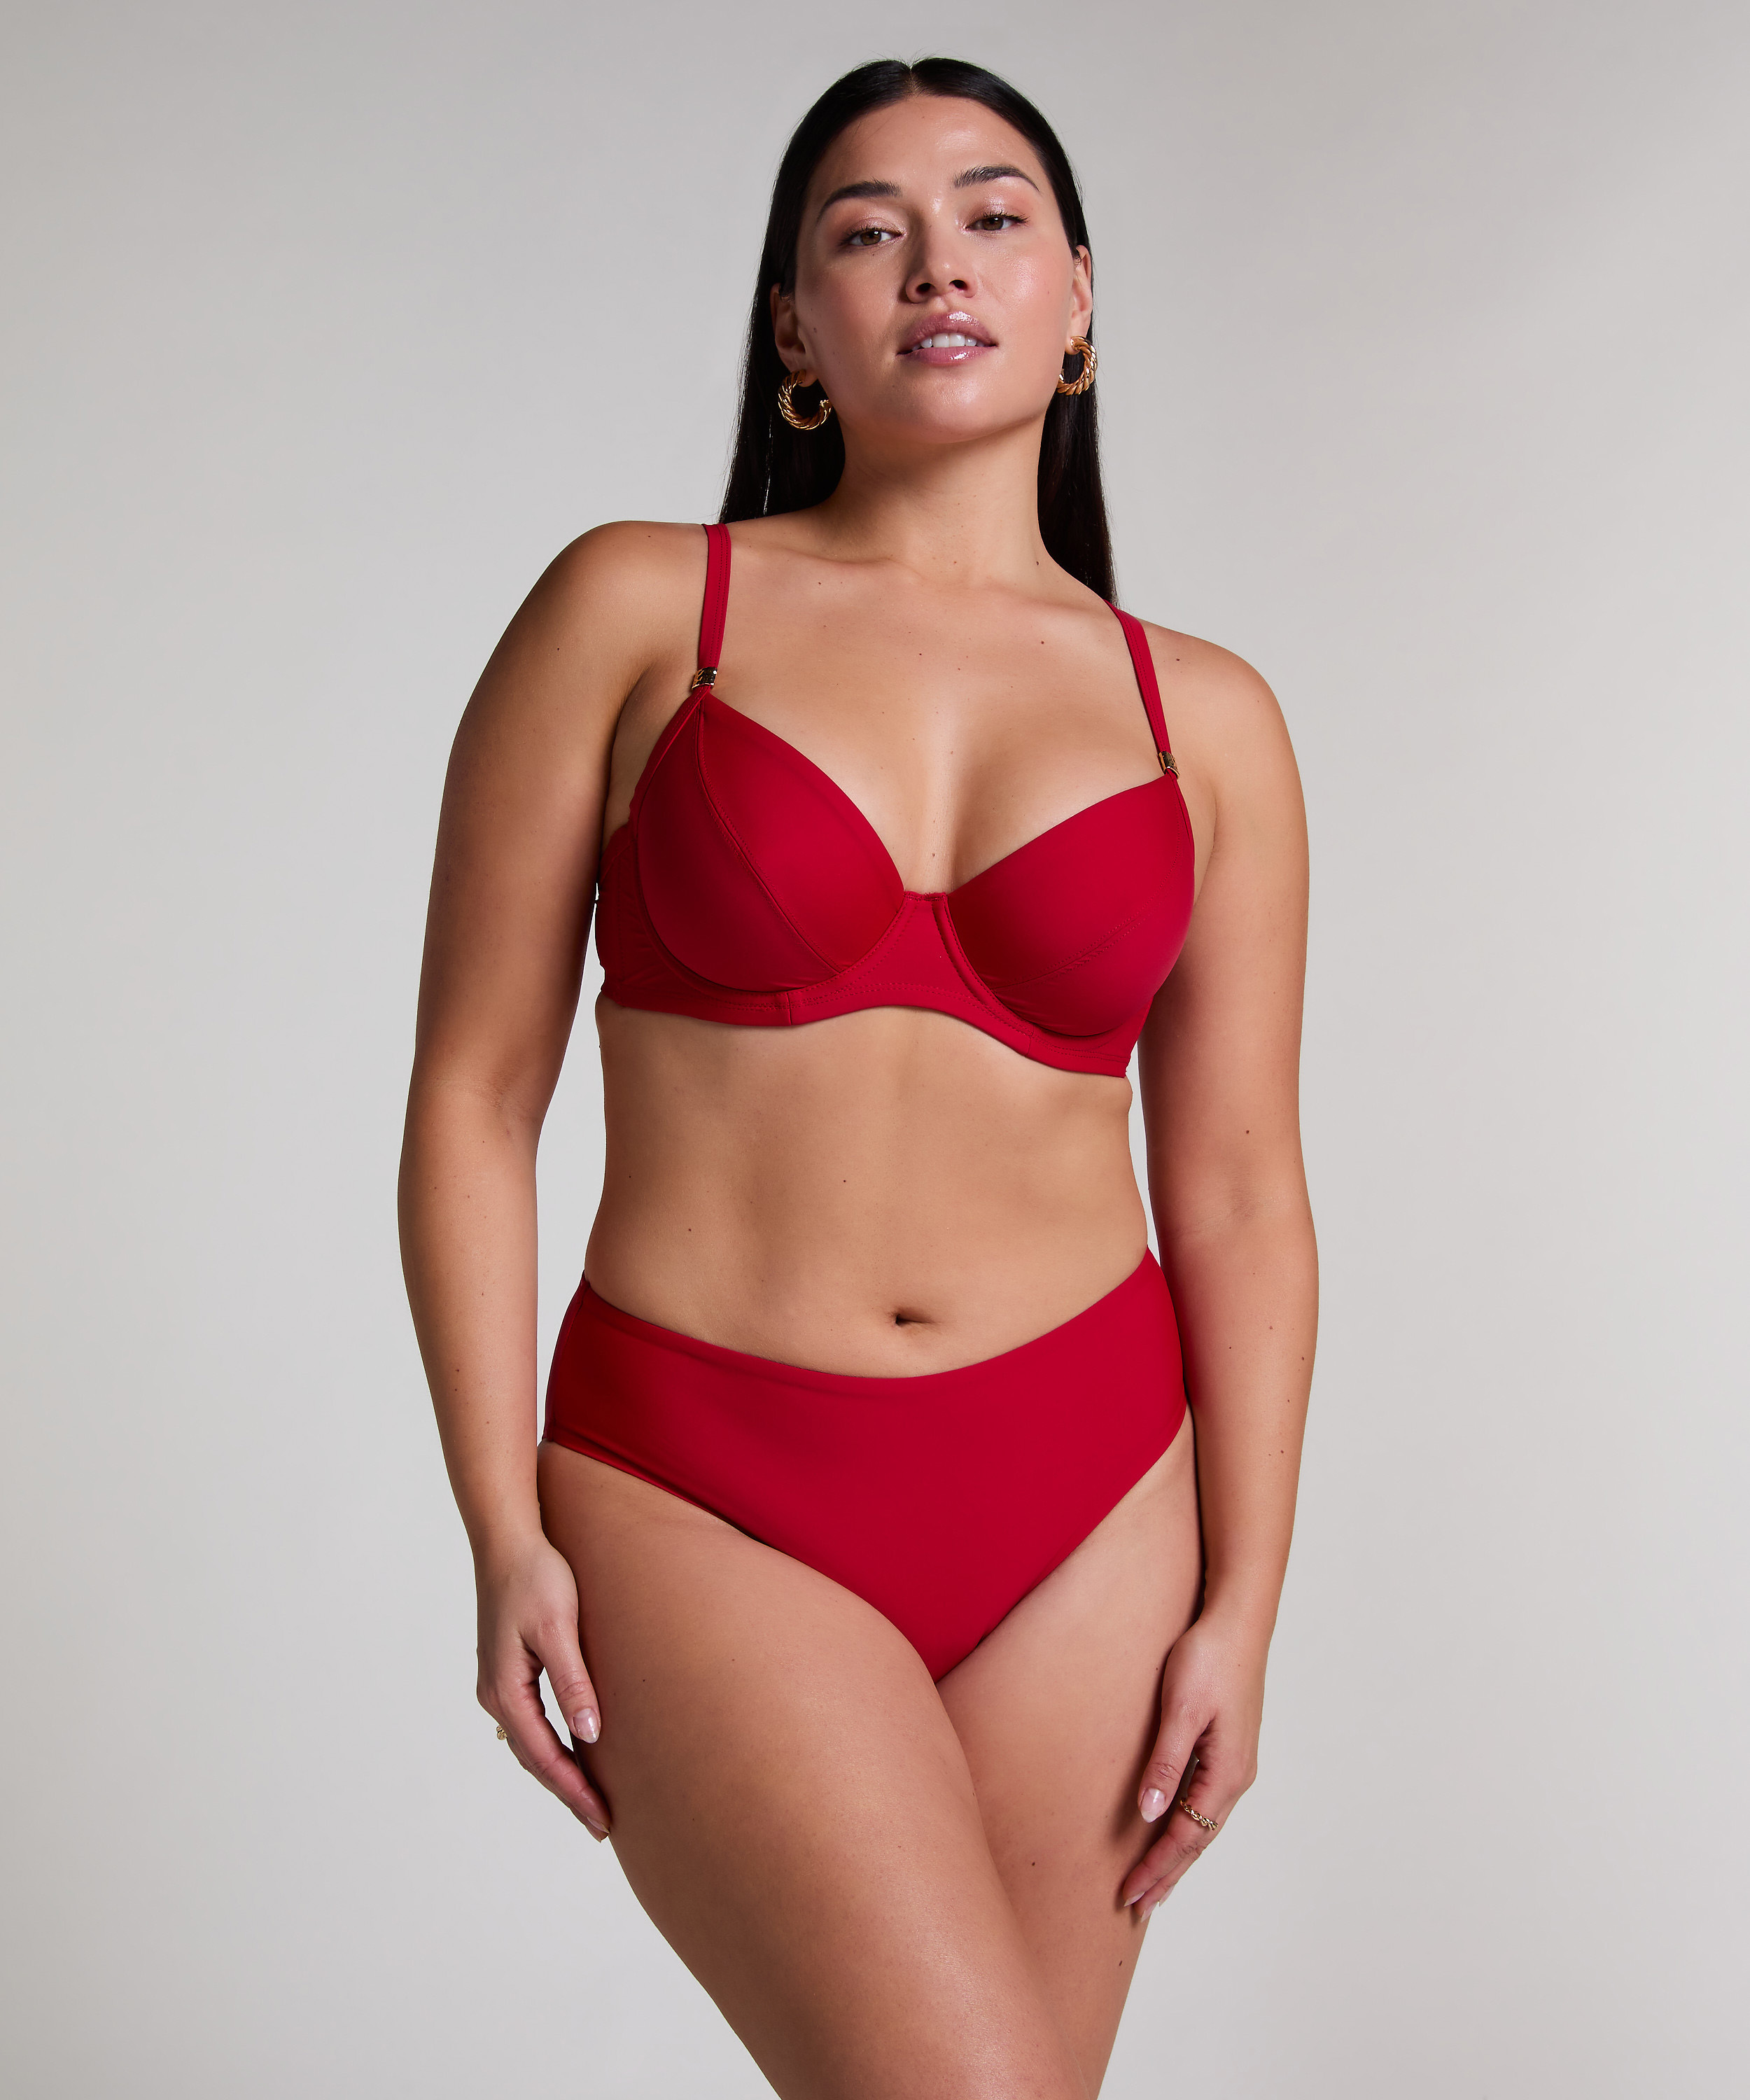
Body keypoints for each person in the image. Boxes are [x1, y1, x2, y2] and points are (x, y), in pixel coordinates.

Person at [399, 55, 1315, 2100]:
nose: (935, 267)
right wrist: (496, 1520)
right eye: (864, 231)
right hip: (700, 1479)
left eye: (993, 217)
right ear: (795, 330)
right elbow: (472, 1092)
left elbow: (1242, 1188)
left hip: (1094, 1497)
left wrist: (1246, 1601)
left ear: (1080, 295)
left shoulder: (1210, 719)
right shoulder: (641, 608)